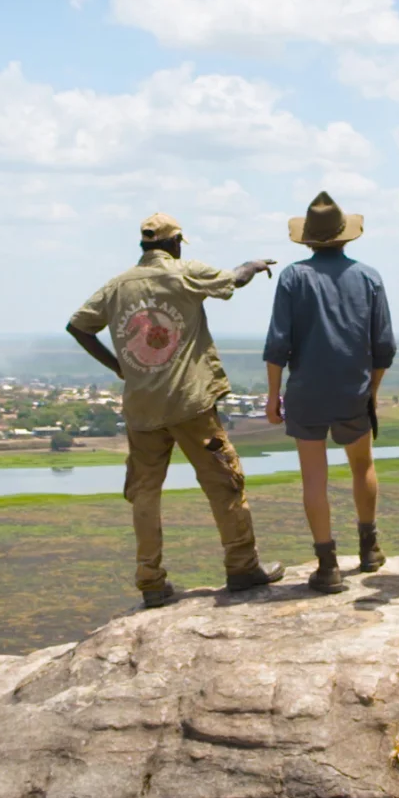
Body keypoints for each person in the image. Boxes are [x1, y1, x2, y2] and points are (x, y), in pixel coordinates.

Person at [67, 212, 285, 609]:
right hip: (190, 402)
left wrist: (121, 367)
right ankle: (242, 567)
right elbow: (232, 279)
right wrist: (252, 265)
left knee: (145, 493)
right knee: (224, 482)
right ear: (176, 242)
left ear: (143, 245)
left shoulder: (117, 286)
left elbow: (78, 326)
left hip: (142, 407)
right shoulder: (184, 272)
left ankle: (151, 581)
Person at [263, 192, 396, 594]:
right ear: (345, 236)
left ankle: (327, 565)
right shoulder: (369, 277)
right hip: (353, 390)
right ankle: (369, 548)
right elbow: (384, 346)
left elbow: (277, 345)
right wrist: (371, 392)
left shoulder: (292, 276)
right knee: (362, 466)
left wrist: (273, 396)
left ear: (308, 239)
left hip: (306, 392)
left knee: (313, 479)